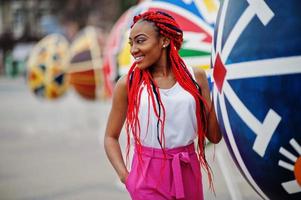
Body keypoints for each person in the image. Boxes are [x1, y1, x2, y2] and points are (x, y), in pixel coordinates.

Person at [104, 10, 222, 200]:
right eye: (131, 43)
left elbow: (214, 136)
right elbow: (110, 137)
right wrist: (127, 178)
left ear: (165, 41)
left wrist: (221, 89)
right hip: (147, 175)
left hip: (187, 169)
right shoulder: (128, 84)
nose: (133, 49)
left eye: (140, 41)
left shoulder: (196, 77)